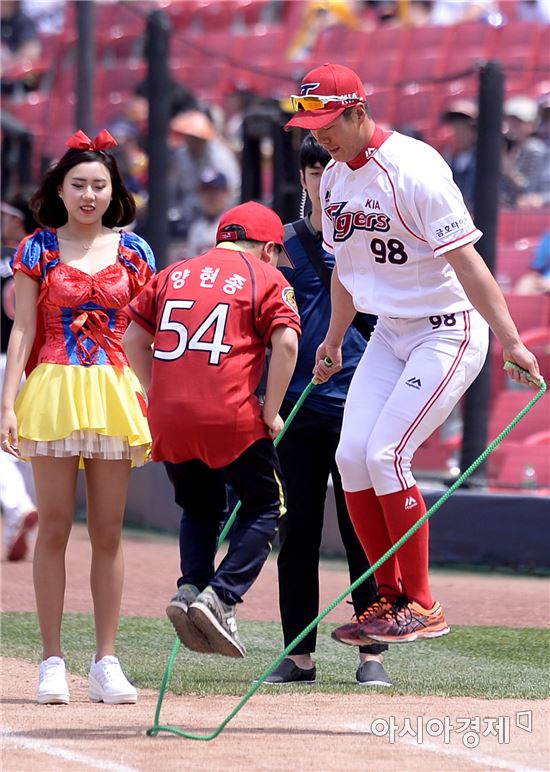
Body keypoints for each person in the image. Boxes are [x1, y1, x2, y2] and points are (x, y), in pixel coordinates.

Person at [284, 63, 540, 646]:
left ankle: (422, 603)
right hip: (391, 332)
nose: (319, 134)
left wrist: (512, 341)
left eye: (327, 121)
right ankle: (386, 598)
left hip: (445, 331)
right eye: (310, 123)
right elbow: (347, 272)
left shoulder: (415, 169)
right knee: (352, 458)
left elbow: (469, 264)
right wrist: (329, 341)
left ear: (357, 110)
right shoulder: (337, 179)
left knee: (386, 455)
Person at [0, 129, 156, 705]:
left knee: (109, 532)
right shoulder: (36, 249)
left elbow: (146, 334)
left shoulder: (137, 252)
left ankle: (105, 662)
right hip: (53, 389)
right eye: (78, 184)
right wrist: (7, 404)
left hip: (116, 390)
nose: (89, 195)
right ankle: (51, 661)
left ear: (113, 192)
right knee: (57, 527)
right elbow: (22, 329)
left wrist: (154, 397)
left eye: (99, 185)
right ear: (60, 190)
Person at [123, 201, 301, 658]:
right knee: (267, 504)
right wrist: (273, 410)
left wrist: (154, 391)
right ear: (268, 248)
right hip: (229, 415)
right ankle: (221, 597)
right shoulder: (267, 276)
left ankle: (189, 588)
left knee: (200, 506)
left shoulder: (174, 272)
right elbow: (286, 343)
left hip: (168, 416)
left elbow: (132, 338)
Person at [264, 135, 390, 687]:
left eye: (331, 164)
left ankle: (372, 653)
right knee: (298, 530)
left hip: (362, 399)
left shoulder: (367, 240)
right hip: (297, 403)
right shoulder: (283, 245)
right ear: (303, 176)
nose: (323, 176)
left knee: (362, 529)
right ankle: (298, 654)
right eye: (315, 168)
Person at [1, 193, 39, 560]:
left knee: (5, 442)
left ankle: (17, 508)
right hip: (39, 362)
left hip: (8, 357)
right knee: (26, 443)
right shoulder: (45, 256)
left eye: (8, 215)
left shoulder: (15, 257)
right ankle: (22, 514)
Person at [167, 110, 240, 241]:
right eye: (189, 137)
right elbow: (174, 188)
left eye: (196, 138)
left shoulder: (220, 156)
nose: (192, 141)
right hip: (189, 213)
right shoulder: (181, 155)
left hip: (219, 214)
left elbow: (232, 190)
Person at [183, 169, 232, 259]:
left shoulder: (234, 225)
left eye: (215, 193)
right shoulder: (196, 228)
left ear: (226, 193)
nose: (211, 198)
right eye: (207, 193)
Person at [440, 99, 478, 213]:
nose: (458, 133)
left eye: (463, 128)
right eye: (456, 128)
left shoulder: (484, 160)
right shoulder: (450, 159)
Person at [514, 230, 550, 295]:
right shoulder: (548, 238)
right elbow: (536, 269)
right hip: (544, 280)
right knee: (525, 283)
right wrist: (537, 281)